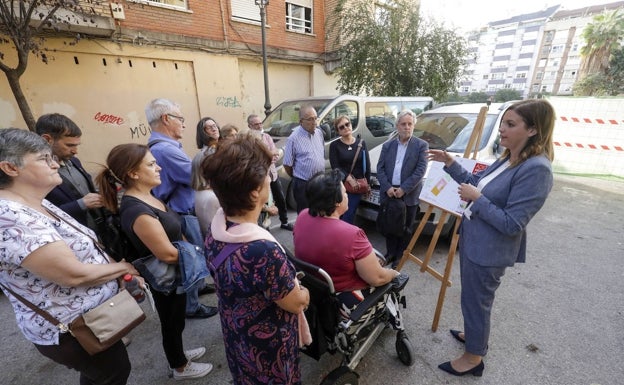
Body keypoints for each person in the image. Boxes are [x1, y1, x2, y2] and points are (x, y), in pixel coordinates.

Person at [0, 128, 140, 385]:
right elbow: (73, 275)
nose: (55, 164)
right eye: (44, 159)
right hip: (72, 329)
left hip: (91, 318)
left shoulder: (33, 200)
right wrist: (122, 268)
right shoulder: (9, 218)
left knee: (106, 373)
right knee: (111, 372)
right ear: (10, 168)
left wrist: (112, 270)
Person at [428, 99, 555, 377]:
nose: (502, 130)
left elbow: (513, 224)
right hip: (475, 242)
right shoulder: (509, 158)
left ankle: (474, 357)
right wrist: (451, 163)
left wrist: (479, 200)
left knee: (477, 302)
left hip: (490, 251)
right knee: (472, 300)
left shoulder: (537, 169)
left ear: (533, 130)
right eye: (503, 124)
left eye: (511, 124)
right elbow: (478, 184)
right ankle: (475, 336)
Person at [95, 143, 214, 381]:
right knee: (171, 320)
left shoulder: (147, 197)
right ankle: (179, 366)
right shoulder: (136, 209)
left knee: (176, 318)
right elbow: (166, 254)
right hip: (165, 276)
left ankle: (178, 354)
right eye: (151, 164)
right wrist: (200, 257)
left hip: (175, 272)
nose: (159, 167)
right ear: (133, 173)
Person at [202, 133, 310, 384]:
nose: (270, 179)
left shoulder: (218, 228)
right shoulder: (262, 250)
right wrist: (304, 292)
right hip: (268, 351)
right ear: (254, 193)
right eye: (266, 175)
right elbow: (295, 303)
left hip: (237, 337)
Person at [145, 98, 216, 319]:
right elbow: (198, 178)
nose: (184, 124)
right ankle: (191, 305)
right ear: (166, 119)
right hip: (181, 213)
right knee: (191, 256)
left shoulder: (165, 147)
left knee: (194, 254)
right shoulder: (166, 150)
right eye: (181, 119)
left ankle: (198, 287)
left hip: (179, 210)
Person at [293, 169, 399, 311]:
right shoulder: (352, 234)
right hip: (340, 296)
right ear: (336, 202)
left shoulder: (303, 216)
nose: (347, 195)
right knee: (390, 280)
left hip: (312, 285)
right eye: (344, 192)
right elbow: (377, 278)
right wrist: (393, 273)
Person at [35, 113, 107, 236]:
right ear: (47, 140)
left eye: (76, 145)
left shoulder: (74, 161)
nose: (75, 151)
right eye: (69, 145)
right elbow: (41, 215)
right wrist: (80, 205)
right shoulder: (36, 174)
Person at [376, 110, 428, 267]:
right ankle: (390, 253)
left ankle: (400, 255)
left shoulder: (421, 145)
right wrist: (387, 187)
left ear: (414, 126)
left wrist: (404, 189)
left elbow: (420, 170)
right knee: (390, 225)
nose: (407, 127)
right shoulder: (388, 146)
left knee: (405, 228)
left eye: (410, 124)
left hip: (408, 194)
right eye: (403, 124)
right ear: (397, 126)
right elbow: (380, 168)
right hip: (390, 192)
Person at [248, 114, 293, 230]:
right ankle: (264, 227)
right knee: (264, 202)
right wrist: (269, 155)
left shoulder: (267, 137)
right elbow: (255, 159)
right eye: (256, 124)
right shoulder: (249, 140)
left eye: (260, 123)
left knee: (280, 199)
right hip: (261, 178)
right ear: (250, 126)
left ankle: (284, 222)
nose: (259, 126)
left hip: (272, 175)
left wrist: (268, 155)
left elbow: (275, 154)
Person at [282, 105, 325, 213]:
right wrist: (298, 176)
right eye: (310, 119)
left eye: (316, 118)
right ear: (301, 121)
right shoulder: (293, 138)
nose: (314, 122)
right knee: (305, 214)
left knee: (320, 213)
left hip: (320, 182)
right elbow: (287, 164)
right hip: (303, 183)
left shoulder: (319, 133)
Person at [329, 115, 371, 224]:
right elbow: (335, 166)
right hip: (341, 186)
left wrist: (368, 184)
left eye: (347, 124)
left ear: (351, 125)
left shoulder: (361, 143)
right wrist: (348, 177)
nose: (346, 128)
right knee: (339, 214)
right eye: (341, 127)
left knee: (349, 214)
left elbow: (367, 165)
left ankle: (343, 236)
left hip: (357, 186)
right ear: (338, 131)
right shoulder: (335, 145)